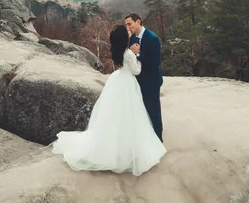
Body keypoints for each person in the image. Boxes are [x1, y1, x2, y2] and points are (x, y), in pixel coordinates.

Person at [51, 25, 166, 176]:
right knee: (130, 116)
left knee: (114, 116)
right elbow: (136, 70)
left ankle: (113, 146)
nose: (129, 31)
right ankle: (127, 149)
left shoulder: (118, 52)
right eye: (127, 32)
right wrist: (136, 54)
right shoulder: (129, 53)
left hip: (117, 81)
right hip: (128, 84)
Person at [125, 13, 164, 142]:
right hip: (137, 82)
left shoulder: (152, 38)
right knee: (141, 112)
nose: (128, 27)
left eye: (129, 24)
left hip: (151, 82)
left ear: (138, 22)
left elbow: (155, 62)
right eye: (126, 25)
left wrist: (138, 54)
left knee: (154, 112)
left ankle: (158, 140)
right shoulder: (132, 39)